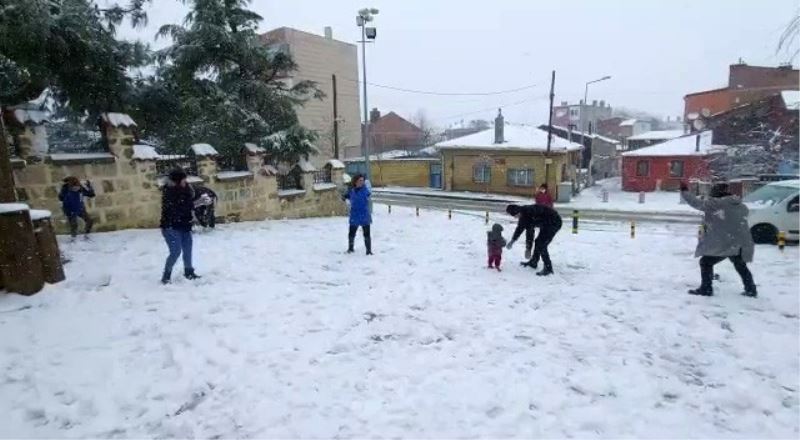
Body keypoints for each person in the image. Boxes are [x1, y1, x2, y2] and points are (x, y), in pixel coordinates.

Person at [680, 181, 757, 297]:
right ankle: (751, 289)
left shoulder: (717, 204)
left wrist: (685, 191)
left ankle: (706, 289)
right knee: (740, 265)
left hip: (724, 242)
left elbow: (696, 203)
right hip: (738, 242)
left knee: (705, 262)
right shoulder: (740, 205)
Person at [160, 169, 201, 284]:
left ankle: (189, 272)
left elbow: (189, 202)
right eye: (183, 180)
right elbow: (180, 209)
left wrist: (201, 199)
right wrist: (198, 203)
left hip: (184, 225)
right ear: (177, 182)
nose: (185, 182)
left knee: (188, 249)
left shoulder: (187, 189)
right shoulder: (169, 193)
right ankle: (166, 276)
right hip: (170, 227)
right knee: (176, 252)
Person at [506, 204, 563, 276]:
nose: (515, 218)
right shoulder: (523, 216)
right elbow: (519, 229)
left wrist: (528, 249)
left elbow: (530, 233)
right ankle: (534, 262)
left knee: (542, 244)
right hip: (545, 224)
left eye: (515, 216)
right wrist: (513, 241)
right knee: (538, 242)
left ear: (518, 212)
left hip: (554, 222)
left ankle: (548, 268)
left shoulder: (529, 212)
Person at [343, 174, 372, 255]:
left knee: (367, 234)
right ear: (355, 181)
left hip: (364, 214)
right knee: (351, 233)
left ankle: (368, 251)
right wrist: (344, 197)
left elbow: (369, 193)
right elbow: (345, 196)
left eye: (362, 180)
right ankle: (350, 248)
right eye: (360, 180)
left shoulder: (365, 190)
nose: (361, 182)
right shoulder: (351, 191)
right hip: (355, 215)